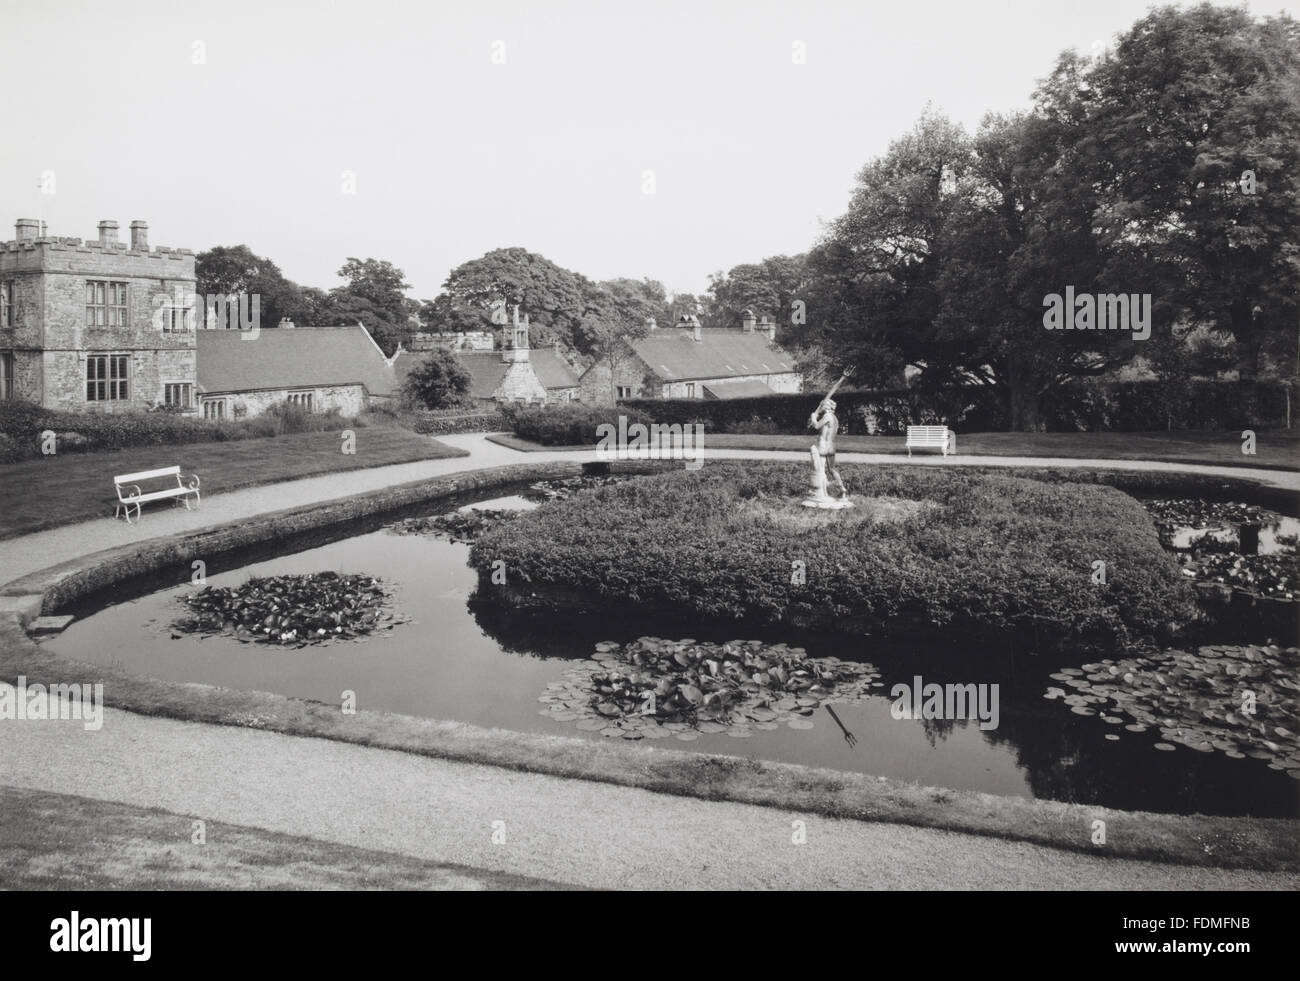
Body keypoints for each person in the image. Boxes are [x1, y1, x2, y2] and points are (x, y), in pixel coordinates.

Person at [809, 398, 848, 499]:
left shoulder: (827, 416)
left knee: (820, 469)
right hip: (831, 445)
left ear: (825, 407)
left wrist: (813, 417)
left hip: (823, 445)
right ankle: (842, 488)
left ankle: (820, 492)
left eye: (822, 406)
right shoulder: (835, 418)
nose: (821, 408)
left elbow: (817, 426)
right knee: (832, 469)